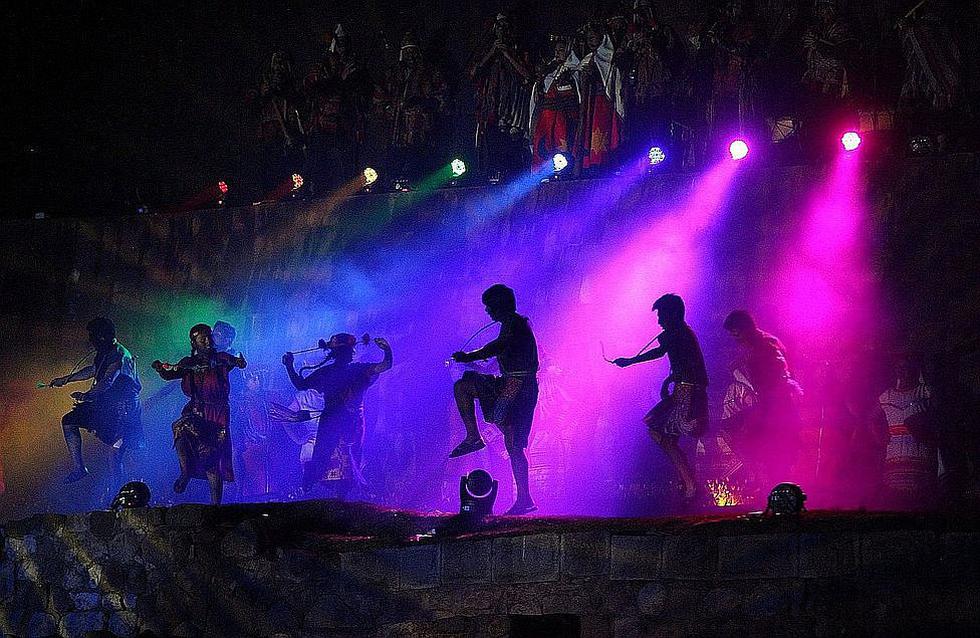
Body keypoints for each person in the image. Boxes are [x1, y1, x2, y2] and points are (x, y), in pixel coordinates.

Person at [450, 284, 540, 515]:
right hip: (510, 384)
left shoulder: (515, 323)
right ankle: (474, 437)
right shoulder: (511, 325)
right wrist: (475, 365)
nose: (487, 311)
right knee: (464, 385)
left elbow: (498, 347)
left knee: (514, 445)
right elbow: (502, 355)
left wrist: (469, 356)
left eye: (489, 306)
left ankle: (524, 499)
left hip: (519, 388)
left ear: (498, 305)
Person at [614, 294, 708, 500]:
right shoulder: (680, 334)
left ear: (672, 314)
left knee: (662, 432)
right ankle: (688, 482)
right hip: (683, 390)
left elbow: (660, 353)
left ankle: (690, 483)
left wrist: (630, 361)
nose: (658, 321)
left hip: (688, 393)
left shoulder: (679, 334)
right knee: (663, 435)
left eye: (661, 315)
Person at [282, 333, 392, 495]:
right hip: (341, 422)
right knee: (333, 460)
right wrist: (387, 350)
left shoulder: (345, 370)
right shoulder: (350, 370)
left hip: (341, 423)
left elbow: (300, 384)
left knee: (341, 460)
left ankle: (335, 495)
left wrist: (289, 366)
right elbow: (386, 365)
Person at [152, 324, 246, 505]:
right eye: (203, 339)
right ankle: (185, 471)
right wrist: (160, 369)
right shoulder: (188, 363)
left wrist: (239, 362)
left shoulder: (221, 358)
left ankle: (215, 504)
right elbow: (170, 375)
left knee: (212, 458)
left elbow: (237, 362)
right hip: (197, 410)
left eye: (209, 337)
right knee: (181, 430)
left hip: (218, 414)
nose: (208, 342)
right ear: (194, 343)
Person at [50, 317, 143, 487]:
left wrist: (88, 395)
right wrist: (66, 379)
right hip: (108, 406)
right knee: (69, 421)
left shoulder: (119, 354)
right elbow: (94, 370)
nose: (91, 341)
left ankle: (118, 490)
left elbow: (108, 380)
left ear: (102, 336)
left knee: (115, 452)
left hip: (123, 411)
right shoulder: (105, 352)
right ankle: (79, 468)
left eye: (93, 336)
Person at [723, 310, 802, 485]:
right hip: (774, 407)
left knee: (771, 454)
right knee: (773, 458)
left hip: (775, 410)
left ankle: (767, 486)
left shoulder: (765, 347)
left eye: (736, 334)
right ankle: (768, 484)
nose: (735, 339)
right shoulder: (763, 344)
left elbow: (779, 377)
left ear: (745, 329)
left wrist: (763, 411)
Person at [876, 353, 936, 507]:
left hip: (921, 461)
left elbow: (939, 418)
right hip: (894, 461)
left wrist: (927, 433)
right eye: (900, 367)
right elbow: (869, 418)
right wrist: (880, 438)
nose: (904, 370)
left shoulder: (926, 392)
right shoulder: (886, 397)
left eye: (907, 367)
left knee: (919, 505)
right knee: (896, 504)